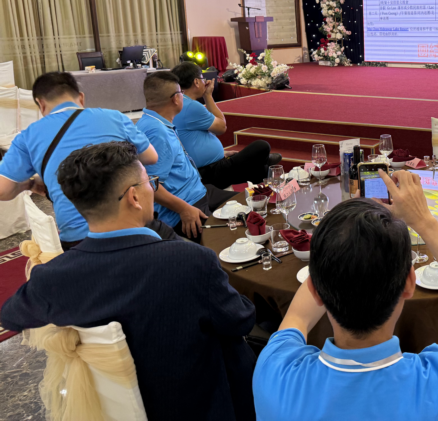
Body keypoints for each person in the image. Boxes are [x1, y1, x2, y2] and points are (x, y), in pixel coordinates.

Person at [0, 141, 256, 421]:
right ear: (134, 197)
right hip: (197, 404)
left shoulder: (53, 277)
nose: (152, 189)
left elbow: (11, 315)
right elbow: (240, 320)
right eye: (151, 183)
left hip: (112, 406)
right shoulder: (192, 261)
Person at [253, 170, 438, 421]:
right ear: (410, 283)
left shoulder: (274, 374)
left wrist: (349, 224)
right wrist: (424, 221)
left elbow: (297, 316)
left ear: (315, 291)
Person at [0, 72, 158, 249]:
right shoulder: (115, 117)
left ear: (40, 103)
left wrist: (29, 184)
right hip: (133, 225)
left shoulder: (28, 136)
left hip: (78, 239)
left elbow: (2, 190)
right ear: (81, 98)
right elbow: (151, 157)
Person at [137, 71, 234, 238]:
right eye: (181, 93)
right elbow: (150, 184)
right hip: (187, 205)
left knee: (248, 203)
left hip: (197, 191)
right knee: (231, 236)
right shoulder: (157, 133)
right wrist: (184, 209)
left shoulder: (152, 121)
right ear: (176, 98)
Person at [171, 62, 280, 189]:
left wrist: (222, 152)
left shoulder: (179, 103)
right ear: (196, 82)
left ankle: (261, 168)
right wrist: (208, 96)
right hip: (209, 172)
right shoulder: (191, 106)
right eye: (202, 78)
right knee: (262, 146)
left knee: (254, 164)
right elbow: (221, 127)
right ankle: (262, 167)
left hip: (209, 166)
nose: (204, 82)